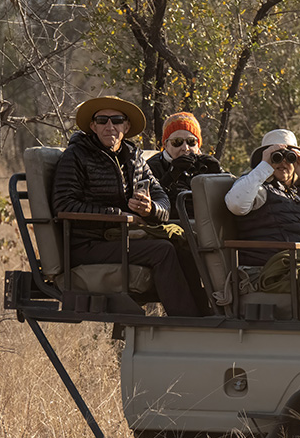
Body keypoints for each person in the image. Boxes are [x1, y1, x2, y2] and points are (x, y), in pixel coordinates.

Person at [51, 95, 208, 317]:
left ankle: (206, 314)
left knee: (184, 241)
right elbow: (64, 205)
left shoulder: (133, 156)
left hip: (121, 237)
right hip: (88, 243)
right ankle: (185, 321)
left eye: (116, 120)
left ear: (126, 126)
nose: (110, 126)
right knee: (162, 251)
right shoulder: (76, 156)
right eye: (102, 120)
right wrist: (119, 215)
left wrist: (150, 209)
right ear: (93, 126)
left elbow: (162, 199)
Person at [224, 129, 300, 266]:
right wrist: (264, 167)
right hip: (283, 265)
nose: (283, 163)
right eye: (276, 157)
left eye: (290, 157)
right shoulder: (257, 188)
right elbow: (236, 205)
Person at [145, 111, 224, 218]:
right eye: (177, 142)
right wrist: (170, 176)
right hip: (174, 222)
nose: (185, 148)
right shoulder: (152, 166)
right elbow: (150, 205)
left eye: (191, 141)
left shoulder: (205, 164)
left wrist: (220, 175)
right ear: (166, 145)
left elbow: (231, 199)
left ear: (198, 144)